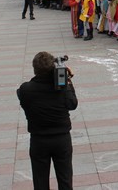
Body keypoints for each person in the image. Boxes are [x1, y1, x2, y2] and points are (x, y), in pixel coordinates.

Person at [17, 51, 78, 190]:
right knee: (65, 179)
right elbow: (72, 104)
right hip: (61, 139)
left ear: (34, 69)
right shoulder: (62, 88)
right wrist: (68, 81)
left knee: (40, 181)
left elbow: (22, 98)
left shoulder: (26, 89)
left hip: (39, 140)